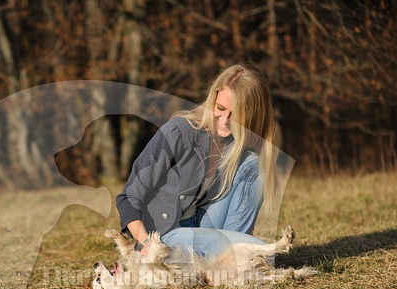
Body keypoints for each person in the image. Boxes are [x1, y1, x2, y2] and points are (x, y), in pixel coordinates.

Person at [116, 64, 280, 259]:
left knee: (256, 165)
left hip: (202, 225)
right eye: (220, 108)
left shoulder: (239, 145)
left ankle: (232, 261)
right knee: (264, 255)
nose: (225, 119)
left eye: (236, 115)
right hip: (164, 234)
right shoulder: (179, 132)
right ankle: (239, 256)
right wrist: (145, 244)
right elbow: (128, 198)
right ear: (213, 99)